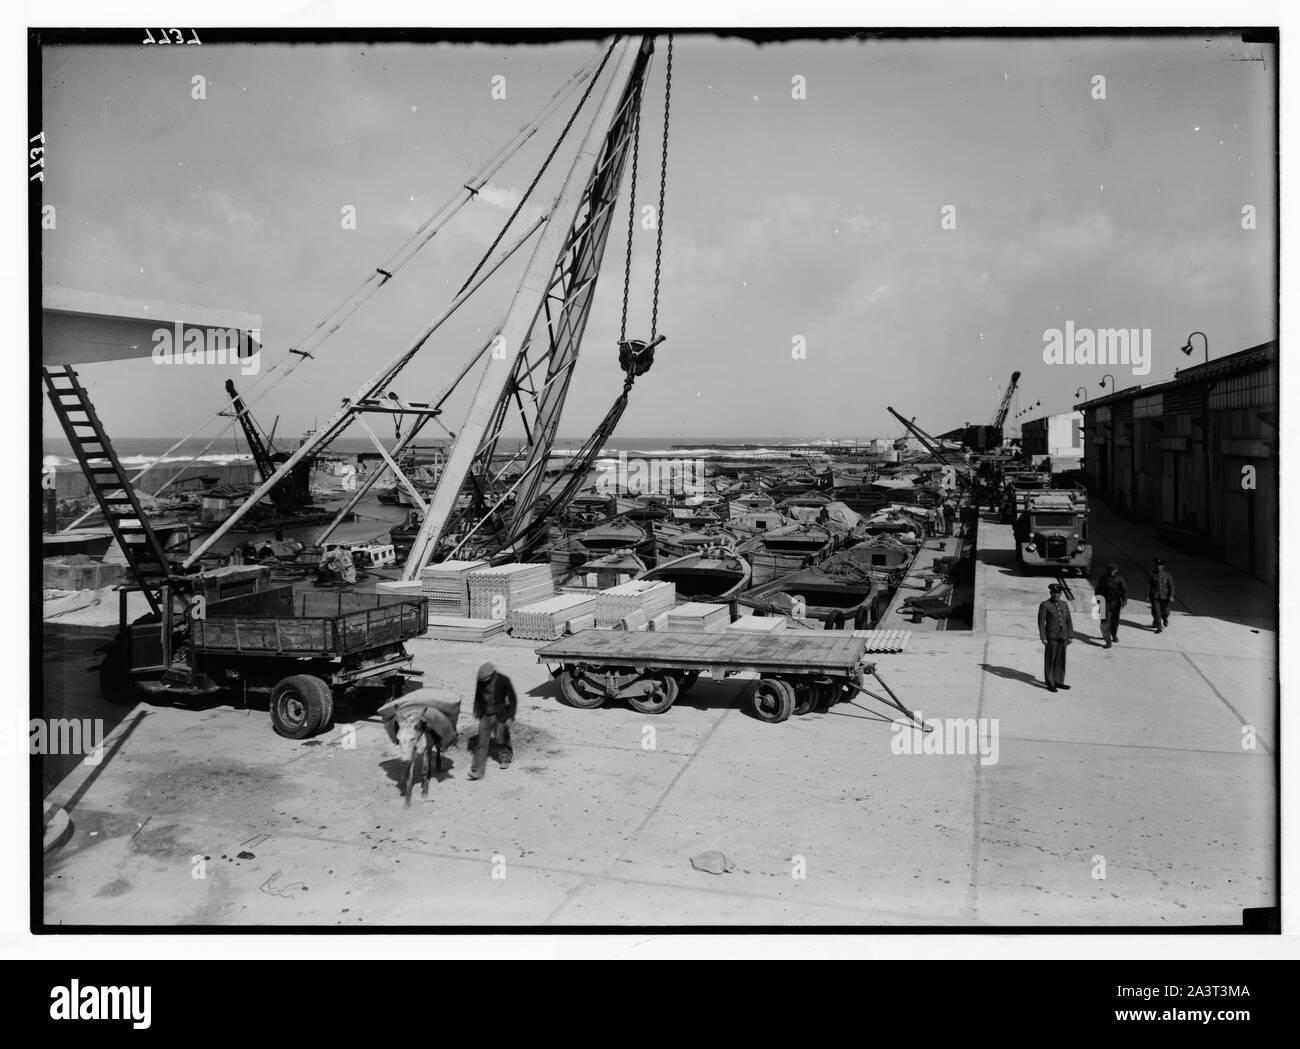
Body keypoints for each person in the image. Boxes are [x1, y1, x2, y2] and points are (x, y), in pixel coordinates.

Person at [469, 662, 517, 780]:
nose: (483, 682)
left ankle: (505, 757)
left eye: (485, 679)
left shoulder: (503, 681)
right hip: (485, 714)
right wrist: (477, 710)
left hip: (500, 713)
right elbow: (478, 696)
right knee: (482, 741)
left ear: (492, 675)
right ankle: (479, 770)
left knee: (500, 737)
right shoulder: (481, 681)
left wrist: (510, 717)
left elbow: (513, 699)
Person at [1036, 582, 1074, 693]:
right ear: (1050, 593)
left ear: (1060, 593)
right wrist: (1043, 637)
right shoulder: (1045, 605)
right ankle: (1050, 683)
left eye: (1058, 593)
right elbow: (1041, 622)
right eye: (1054, 593)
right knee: (1050, 660)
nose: (1056, 595)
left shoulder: (1064, 604)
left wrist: (1070, 635)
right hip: (1051, 637)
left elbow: (1068, 621)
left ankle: (1059, 681)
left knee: (1060, 660)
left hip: (1063, 637)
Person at [1094, 563, 1128, 648]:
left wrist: (1124, 600)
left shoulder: (1120, 579)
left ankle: (1114, 634)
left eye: (1113, 570)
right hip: (1103, 602)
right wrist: (1099, 601)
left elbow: (1124, 591)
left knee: (1115, 620)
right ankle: (1108, 641)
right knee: (1104, 623)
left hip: (1116, 602)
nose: (1111, 572)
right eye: (1110, 570)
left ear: (1116, 570)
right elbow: (1097, 590)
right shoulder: (1102, 578)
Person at [1146, 558, 1175, 633]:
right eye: (1157, 565)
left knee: (1165, 612)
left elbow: (1171, 586)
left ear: (1163, 566)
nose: (1158, 567)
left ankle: (1165, 618)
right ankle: (1159, 627)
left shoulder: (1167, 575)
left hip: (1165, 597)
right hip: (1155, 596)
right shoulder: (1152, 574)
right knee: (1156, 611)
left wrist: (1171, 595)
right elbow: (1149, 585)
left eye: (1160, 565)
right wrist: (1147, 595)